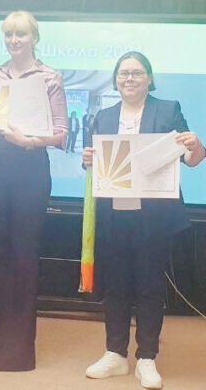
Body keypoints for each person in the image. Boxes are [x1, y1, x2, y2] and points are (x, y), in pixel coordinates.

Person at [83, 51, 205, 389]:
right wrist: (89, 159)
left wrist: (196, 144)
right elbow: (95, 165)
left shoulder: (168, 110)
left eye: (137, 73)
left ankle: (147, 357)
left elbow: (193, 158)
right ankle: (115, 354)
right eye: (124, 73)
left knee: (150, 286)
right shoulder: (104, 116)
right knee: (115, 286)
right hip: (114, 214)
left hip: (154, 216)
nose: (130, 79)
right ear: (115, 79)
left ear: (149, 78)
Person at [0, 11, 67, 371]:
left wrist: (29, 141)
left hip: (31, 170)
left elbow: (62, 134)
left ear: (35, 37)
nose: (14, 41)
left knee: (23, 255)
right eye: (9, 35)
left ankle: (17, 352)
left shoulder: (50, 77)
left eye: (21, 34)